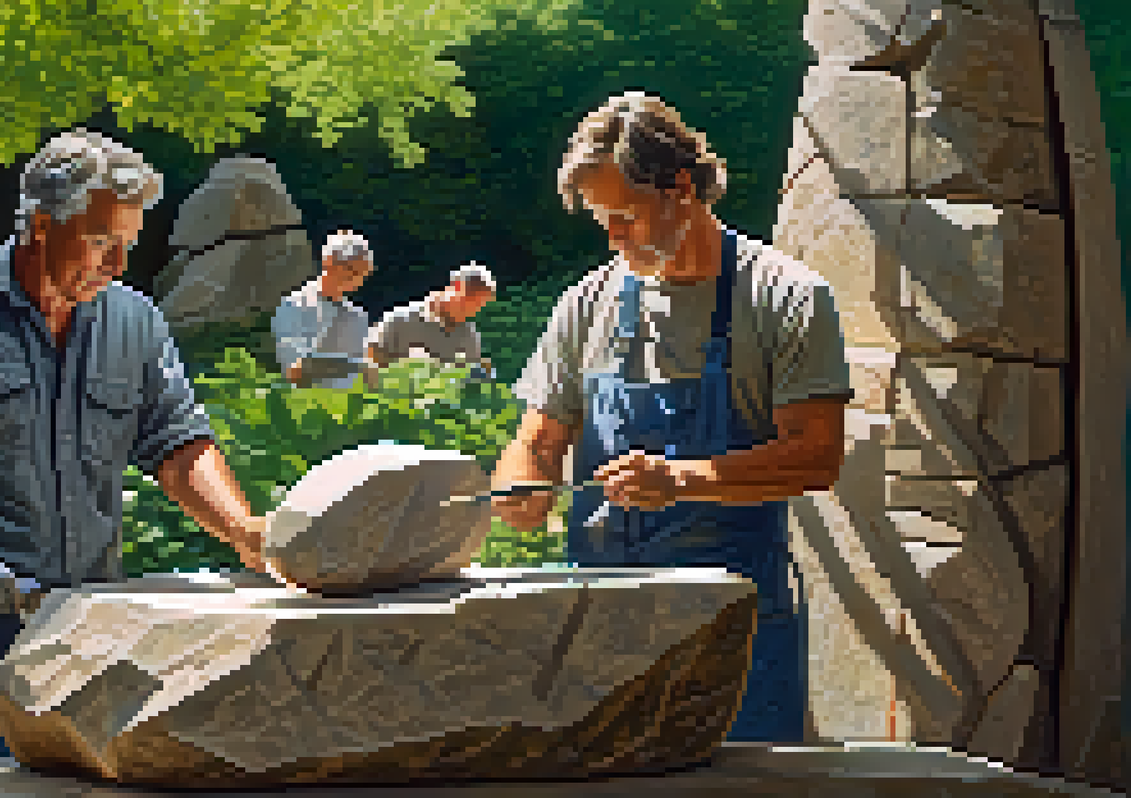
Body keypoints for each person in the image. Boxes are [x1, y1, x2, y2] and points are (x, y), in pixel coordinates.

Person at [0, 130, 270, 760]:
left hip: (95, 616)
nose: (119, 264)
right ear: (41, 226)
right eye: (102, 242)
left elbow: (177, 442)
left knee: (91, 779)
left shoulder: (136, 321)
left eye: (127, 243)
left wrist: (245, 533)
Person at [489, 92, 852, 743]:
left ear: (681, 188)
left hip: (734, 634)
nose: (612, 235)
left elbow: (815, 455)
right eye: (601, 218)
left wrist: (682, 479)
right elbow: (538, 441)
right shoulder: (587, 303)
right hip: (601, 634)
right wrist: (520, 485)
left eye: (624, 215)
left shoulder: (784, 296)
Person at [271, 230, 377, 389]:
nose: (359, 279)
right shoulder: (293, 305)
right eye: (353, 270)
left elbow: (366, 377)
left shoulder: (358, 316)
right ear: (329, 262)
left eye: (364, 273)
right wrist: (353, 367)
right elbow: (293, 370)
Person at [366, 262, 498, 378]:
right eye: (471, 300)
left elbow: (468, 383)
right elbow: (370, 366)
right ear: (456, 286)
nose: (473, 310)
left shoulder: (470, 335)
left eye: (479, 305)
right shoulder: (399, 319)